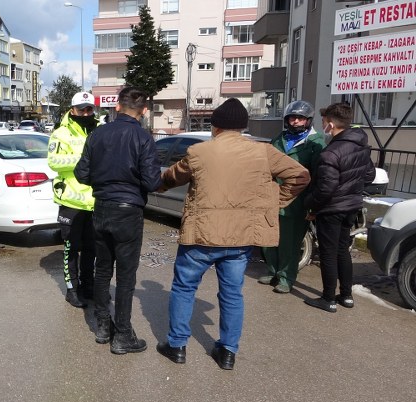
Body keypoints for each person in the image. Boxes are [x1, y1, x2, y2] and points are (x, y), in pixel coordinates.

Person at [155, 98, 310, 370]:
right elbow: (300, 176)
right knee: (232, 294)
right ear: (243, 127)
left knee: (184, 288)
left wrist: (157, 185)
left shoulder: (199, 152)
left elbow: (170, 178)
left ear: (215, 126)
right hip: (240, 238)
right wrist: (274, 201)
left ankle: (177, 345)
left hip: (201, 236)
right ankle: (227, 352)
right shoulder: (264, 152)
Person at [74, 86, 162, 355]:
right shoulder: (143, 138)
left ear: (117, 107)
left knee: (102, 269)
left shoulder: (98, 135)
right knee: (125, 276)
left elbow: (81, 174)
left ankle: (103, 326)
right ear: (144, 110)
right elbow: (152, 181)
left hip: (101, 209)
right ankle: (123, 334)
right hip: (128, 211)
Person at [303, 102, 376, 313]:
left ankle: (328, 298)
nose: (323, 125)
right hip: (352, 206)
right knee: (342, 250)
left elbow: (325, 189)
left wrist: (310, 205)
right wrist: (350, 186)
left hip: (332, 209)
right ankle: (346, 296)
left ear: (331, 124)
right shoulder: (361, 145)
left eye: (324, 122)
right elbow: (369, 175)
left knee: (328, 253)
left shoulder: (331, 153)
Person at [259, 101, 325, 294]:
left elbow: (318, 175)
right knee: (270, 238)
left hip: (297, 201)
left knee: (290, 242)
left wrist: (313, 204)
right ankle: (272, 271)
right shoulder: (279, 139)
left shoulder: (315, 142)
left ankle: (286, 278)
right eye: (292, 118)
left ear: (308, 120)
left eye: (300, 118)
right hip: (273, 197)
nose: (295, 121)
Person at [48, 91, 99, 308]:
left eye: (89, 109)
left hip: (95, 201)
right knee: (71, 247)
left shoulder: (99, 131)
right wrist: (83, 158)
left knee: (92, 248)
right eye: (82, 109)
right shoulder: (61, 133)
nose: (86, 113)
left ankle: (88, 286)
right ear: (72, 110)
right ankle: (72, 289)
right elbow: (54, 162)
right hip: (71, 201)